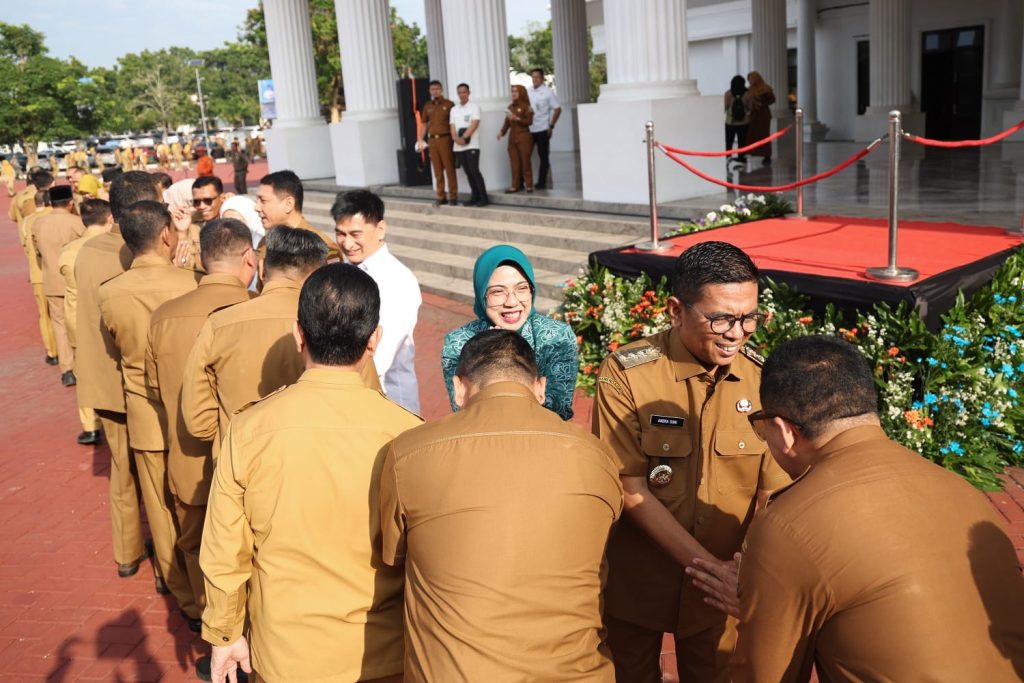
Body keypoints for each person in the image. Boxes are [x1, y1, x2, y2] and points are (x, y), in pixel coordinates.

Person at [690, 335, 1024, 682]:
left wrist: (766, 608)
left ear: (784, 432)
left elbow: (763, 677)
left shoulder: (788, 523)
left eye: (761, 426)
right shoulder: (965, 492)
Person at [201, 263, 421, 683]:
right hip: (380, 652)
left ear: (298, 333)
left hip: (285, 653)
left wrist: (225, 633)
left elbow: (225, 547)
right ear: (374, 338)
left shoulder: (249, 429)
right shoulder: (409, 434)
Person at [591, 241, 791, 682]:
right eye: (721, 319)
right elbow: (628, 487)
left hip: (722, 595)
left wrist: (741, 570)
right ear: (676, 311)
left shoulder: (762, 379)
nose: (736, 333)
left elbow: (773, 493)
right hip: (639, 582)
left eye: (749, 317)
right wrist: (711, 570)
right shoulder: (628, 374)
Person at [382, 329, 621, 681]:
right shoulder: (598, 456)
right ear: (540, 388)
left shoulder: (409, 452)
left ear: (459, 388)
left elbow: (393, 557)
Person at [147, 218, 255, 679]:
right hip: (252, 465)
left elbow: (155, 389)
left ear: (203, 258)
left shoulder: (165, 316)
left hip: (190, 460)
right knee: (253, 553)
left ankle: (214, 635)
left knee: (199, 550)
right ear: (249, 258)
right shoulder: (261, 312)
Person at [182, 227, 377, 458]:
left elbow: (198, 423)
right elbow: (368, 403)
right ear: (320, 276)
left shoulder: (219, 324)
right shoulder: (338, 324)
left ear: (261, 268)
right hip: (316, 461)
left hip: (239, 462)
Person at [98, 200, 201, 625]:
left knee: (160, 510)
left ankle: (184, 597)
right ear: (165, 236)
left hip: (144, 412)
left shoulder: (109, 292)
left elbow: (114, 351)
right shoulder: (193, 282)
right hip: (192, 409)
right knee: (199, 505)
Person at [75, 171, 159, 580]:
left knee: (122, 472)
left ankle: (127, 552)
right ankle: (166, 564)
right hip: (139, 379)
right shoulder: (138, 250)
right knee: (157, 478)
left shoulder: (89, 250)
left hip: (103, 378)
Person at [442, 245, 578, 420]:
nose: (512, 302)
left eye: (521, 288)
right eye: (498, 291)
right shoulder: (458, 342)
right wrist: (491, 353)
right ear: (481, 294)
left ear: (532, 290)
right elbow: (461, 409)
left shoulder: (556, 336)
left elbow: (559, 411)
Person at [332, 190, 421, 412]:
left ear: (380, 229)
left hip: (390, 400)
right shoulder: (340, 271)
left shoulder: (397, 280)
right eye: (340, 234)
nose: (347, 243)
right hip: (348, 392)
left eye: (355, 234)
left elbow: (381, 355)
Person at [59, 198, 113, 446]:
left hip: (78, 317)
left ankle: (91, 426)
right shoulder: (114, 248)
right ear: (109, 218)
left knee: (84, 372)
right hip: (106, 314)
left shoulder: (69, 250)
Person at [32, 184, 85, 386]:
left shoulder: (38, 223)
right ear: (70, 203)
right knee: (81, 323)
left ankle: (67, 370)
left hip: (52, 281)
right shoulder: (77, 222)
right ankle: (84, 365)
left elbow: (37, 252)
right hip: (76, 281)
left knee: (60, 325)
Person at [254, 170, 339, 261]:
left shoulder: (323, 248)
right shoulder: (266, 243)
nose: (256, 208)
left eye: (263, 201)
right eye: (257, 201)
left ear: (288, 204)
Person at [418, 80, 457, 206]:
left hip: (446, 139)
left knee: (449, 169)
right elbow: (424, 124)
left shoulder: (449, 104)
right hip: (432, 140)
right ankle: (441, 196)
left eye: (437, 89)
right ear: (429, 91)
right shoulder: (427, 106)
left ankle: (453, 196)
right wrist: (420, 139)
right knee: (437, 170)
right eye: (432, 89)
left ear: (442, 90)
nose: (435, 91)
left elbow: (454, 122)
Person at [450, 83, 488, 207]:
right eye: (460, 92)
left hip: (472, 145)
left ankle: (483, 197)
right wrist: (455, 138)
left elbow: (475, 123)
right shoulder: (454, 109)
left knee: (474, 171)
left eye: (464, 92)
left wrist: (464, 138)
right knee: (468, 172)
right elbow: (452, 126)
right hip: (458, 146)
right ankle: (474, 197)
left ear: (468, 93)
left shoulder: (474, 107)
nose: (462, 95)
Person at [527, 68, 561, 190]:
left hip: (542, 128)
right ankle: (524, 181)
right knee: (525, 155)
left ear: (542, 78)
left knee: (543, 156)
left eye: (537, 77)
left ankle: (541, 182)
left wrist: (551, 126)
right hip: (529, 129)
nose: (535, 79)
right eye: (533, 77)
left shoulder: (548, 92)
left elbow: (557, 109)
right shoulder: (528, 91)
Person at [497, 85, 535, 193]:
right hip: (512, 138)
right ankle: (515, 185)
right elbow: (507, 122)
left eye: (516, 91)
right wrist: (501, 132)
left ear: (521, 93)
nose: (513, 93)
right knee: (514, 163)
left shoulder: (526, 106)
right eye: (512, 91)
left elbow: (529, 121)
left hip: (524, 137)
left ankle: (529, 185)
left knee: (525, 162)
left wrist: (517, 118)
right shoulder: (510, 107)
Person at [746, 71, 776, 166]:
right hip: (753, 115)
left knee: (764, 135)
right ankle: (752, 152)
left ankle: (766, 155)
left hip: (763, 114)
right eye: (749, 79)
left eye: (752, 78)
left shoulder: (766, 89)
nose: (750, 81)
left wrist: (762, 104)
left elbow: (772, 99)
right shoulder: (749, 90)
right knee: (752, 134)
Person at [724, 75, 751, 161]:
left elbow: (725, 107)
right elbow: (750, 107)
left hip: (730, 121)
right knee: (742, 141)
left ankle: (728, 157)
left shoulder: (728, 93)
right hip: (744, 122)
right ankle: (741, 157)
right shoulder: (747, 94)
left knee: (729, 141)